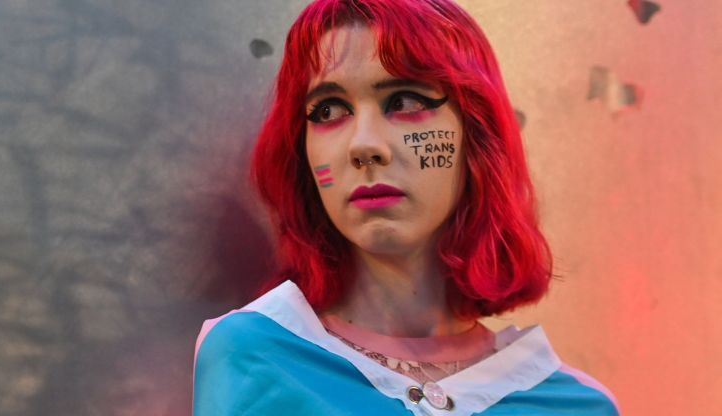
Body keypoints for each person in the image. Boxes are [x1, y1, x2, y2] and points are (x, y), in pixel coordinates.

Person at [192, 0, 619, 414]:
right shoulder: (256, 355)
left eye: (405, 101)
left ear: (477, 133)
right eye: (329, 109)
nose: (364, 145)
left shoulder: (577, 404)